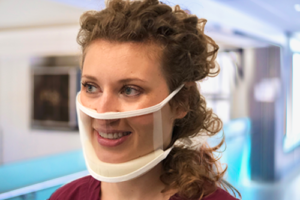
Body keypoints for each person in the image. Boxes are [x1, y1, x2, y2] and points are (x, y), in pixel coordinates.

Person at [50, 0, 241, 199]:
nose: (103, 112)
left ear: (182, 100)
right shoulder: (66, 196)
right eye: (91, 87)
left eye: (130, 90)